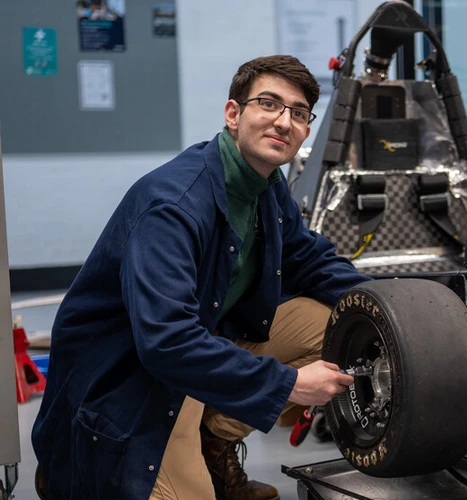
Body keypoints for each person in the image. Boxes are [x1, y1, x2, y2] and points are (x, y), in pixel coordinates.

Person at [31, 55, 370, 500]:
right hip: (131, 380)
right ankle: (78, 471)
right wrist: (288, 384)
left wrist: (392, 307)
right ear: (233, 114)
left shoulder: (266, 185)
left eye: (299, 112)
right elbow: (166, 341)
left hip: (196, 348)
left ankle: (214, 439)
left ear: (306, 130)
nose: (283, 121)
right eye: (268, 103)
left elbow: (308, 259)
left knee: (336, 321)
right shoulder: (173, 206)